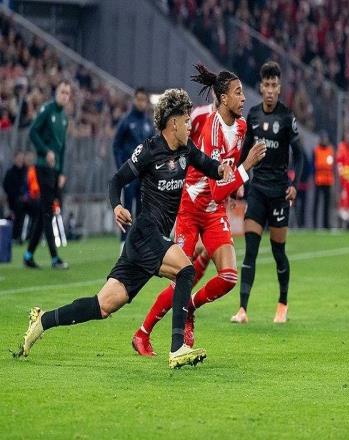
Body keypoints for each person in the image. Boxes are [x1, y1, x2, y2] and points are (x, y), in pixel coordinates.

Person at [14, 88, 233, 369]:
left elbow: (209, 166)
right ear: (173, 122)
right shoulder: (149, 150)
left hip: (145, 243)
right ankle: (178, 347)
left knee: (102, 305)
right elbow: (116, 181)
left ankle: (42, 321)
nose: (190, 125)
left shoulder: (186, 150)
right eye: (187, 119)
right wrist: (117, 206)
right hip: (145, 233)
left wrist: (224, 169)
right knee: (186, 270)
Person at [132, 65, 266, 356]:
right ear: (223, 98)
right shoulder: (210, 128)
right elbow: (218, 186)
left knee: (228, 277)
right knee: (182, 276)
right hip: (191, 209)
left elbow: (226, 175)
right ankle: (142, 333)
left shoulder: (241, 127)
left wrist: (236, 182)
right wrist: (246, 169)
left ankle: (190, 307)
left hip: (214, 210)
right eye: (238, 93)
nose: (244, 98)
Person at [231, 61, 304, 324]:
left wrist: (294, 185)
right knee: (250, 250)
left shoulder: (286, 117)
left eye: (274, 85)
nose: (270, 90)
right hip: (258, 191)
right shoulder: (252, 116)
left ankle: (282, 304)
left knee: (277, 252)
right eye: (267, 85)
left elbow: (301, 155)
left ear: (279, 88)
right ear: (261, 87)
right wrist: (237, 181)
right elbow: (243, 153)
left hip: (279, 194)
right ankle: (242, 309)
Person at [23, 80, 71, 269]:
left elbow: (63, 147)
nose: (64, 96)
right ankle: (54, 258)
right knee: (48, 211)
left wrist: (62, 171)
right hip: (43, 167)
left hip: (55, 171)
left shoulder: (64, 118)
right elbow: (33, 132)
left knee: (46, 212)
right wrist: (45, 152)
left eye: (67, 93)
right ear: (56, 93)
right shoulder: (47, 110)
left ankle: (28, 255)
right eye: (62, 92)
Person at [112, 87, 154, 245]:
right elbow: (116, 146)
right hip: (130, 174)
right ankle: (124, 245)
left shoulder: (148, 123)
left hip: (144, 175)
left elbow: (153, 148)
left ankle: (140, 246)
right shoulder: (126, 121)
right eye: (139, 99)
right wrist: (121, 169)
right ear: (134, 100)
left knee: (143, 212)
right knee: (127, 209)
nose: (141, 103)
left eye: (144, 100)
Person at [2, 150, 27, 243]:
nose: (20, 160)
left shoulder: (26, 171)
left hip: (26, 200)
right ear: (15, 159)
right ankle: (15, 236)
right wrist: (17, 195)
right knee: (18, 209)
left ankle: (30, 235)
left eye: (22, 158)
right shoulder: (10, 173)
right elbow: (6, 187)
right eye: (18, 158)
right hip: (13, 200)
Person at [313, 131, 335, 229]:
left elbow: (332, 166)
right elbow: (314, 165)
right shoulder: (316, 150)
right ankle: (315, 225)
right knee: (316, 203)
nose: (324, 140)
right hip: (318, 180)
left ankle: (326, 224)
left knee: (327, 204)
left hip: (328, 180)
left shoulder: (330, 150)